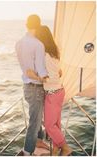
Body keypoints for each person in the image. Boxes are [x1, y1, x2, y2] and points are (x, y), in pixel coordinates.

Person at [26, 25, 73, 156]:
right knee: (56, 123)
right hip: (59, 91)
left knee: (49, 125)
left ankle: (65, 147)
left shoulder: (44, 55)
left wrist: (33, 75)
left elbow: (49, 78)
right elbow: (59, 71)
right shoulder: (54, 51)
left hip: (52, 93)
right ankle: (57, 148)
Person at [15, 14, 49, 156]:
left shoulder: (19, 43)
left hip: (26, 87)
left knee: (37, 116)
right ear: (39, 25)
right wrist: (48, 77)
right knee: (35, 121)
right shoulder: (38, 44)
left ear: (26, 25)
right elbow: (42, 72)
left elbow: (25, 67)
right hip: (36, 87)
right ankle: (27, 152)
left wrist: (30, 73)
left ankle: (39, 140)